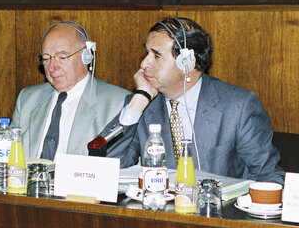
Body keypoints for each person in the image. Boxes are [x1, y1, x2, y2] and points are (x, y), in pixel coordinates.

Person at [105, 17, 284, 183]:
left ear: (187, 63)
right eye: (146, 53)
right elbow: (107, 166)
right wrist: (139, 100)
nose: (144, 64)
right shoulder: (144, 105)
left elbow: (268, 176)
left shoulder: (237, 106)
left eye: (156, 55)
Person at [10, 21, 129, 159]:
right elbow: (9, 156)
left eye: (62, 57)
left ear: (86, 57)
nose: (52, 68)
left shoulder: (117, 103)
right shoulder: (27, 98)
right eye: (46, 58)